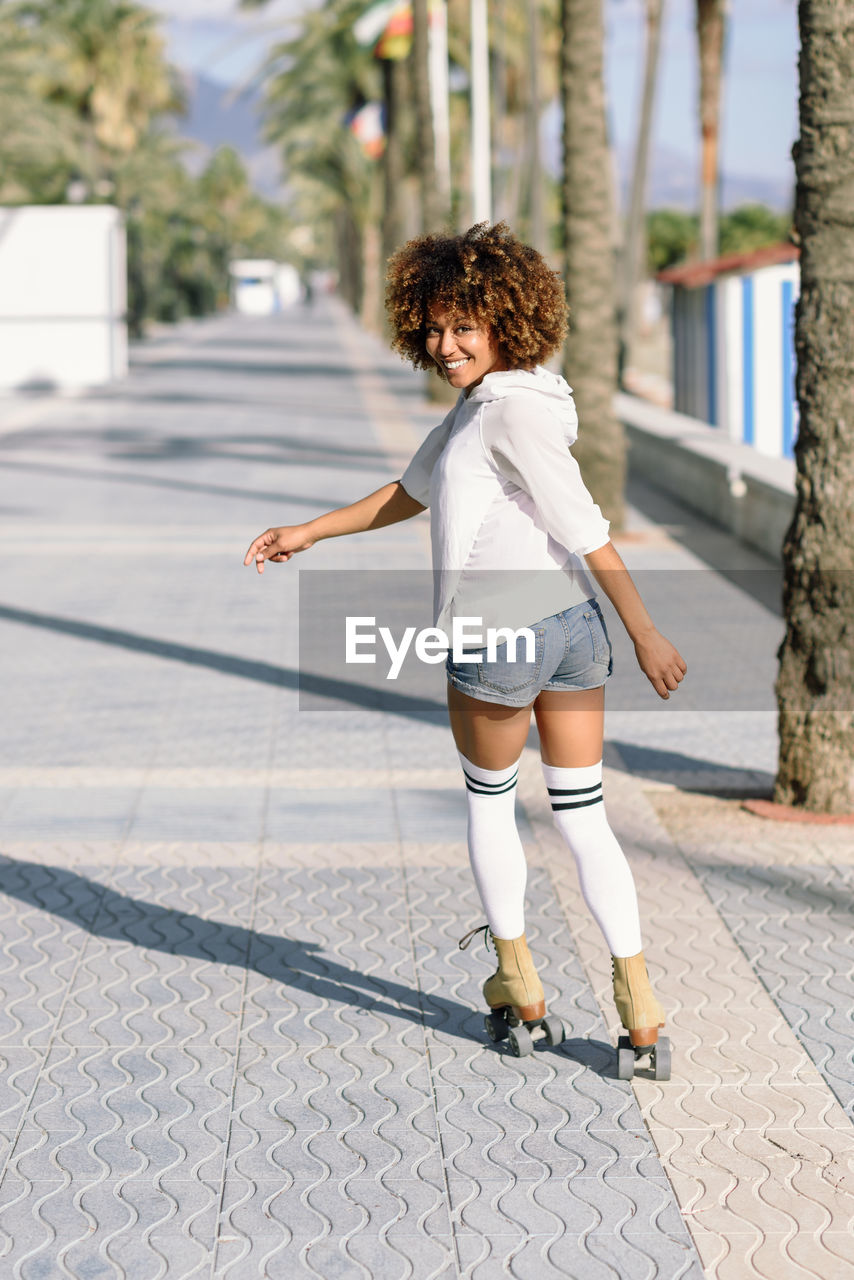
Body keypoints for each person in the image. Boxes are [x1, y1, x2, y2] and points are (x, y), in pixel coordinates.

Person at [244, 222, 686, 1067]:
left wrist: (648, 631)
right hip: (566, 624)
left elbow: (587, 528)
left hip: (506, 631)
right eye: (436, 328)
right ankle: (639, 1005)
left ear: (506, 321)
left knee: (492, 804)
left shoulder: (509, 413)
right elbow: (407, 494)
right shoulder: (491, 402)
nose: (446, 345)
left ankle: (520, 990)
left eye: (463, 328)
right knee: (582, 812)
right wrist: (310, 532)